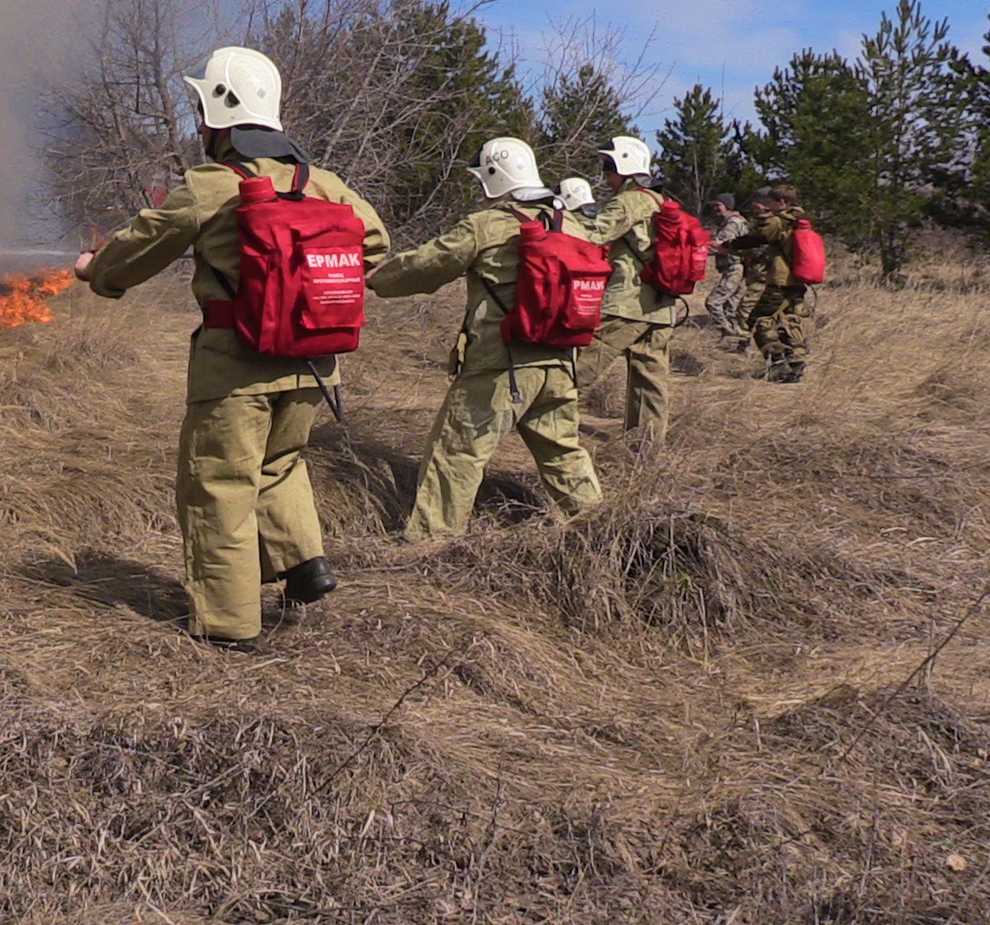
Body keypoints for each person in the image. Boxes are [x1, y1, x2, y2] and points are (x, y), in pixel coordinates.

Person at [74, 46, 390, 652]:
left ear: (221, 113)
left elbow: (142, 244)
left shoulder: (214, 183)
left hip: (235, 366)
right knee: (279, 464)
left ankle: (228, 626)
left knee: (218, 484)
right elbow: (374, 246)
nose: (198, 123)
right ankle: (304, 566)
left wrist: (98, 272)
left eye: (202, 109)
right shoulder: (323, 184)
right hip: (313, 365)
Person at [367, 139, 602, 541]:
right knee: (564, 454)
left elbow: (427, 265)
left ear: (494, 177)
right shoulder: (576, 226)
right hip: (561, 363)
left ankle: (430, 544)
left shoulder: (488, 225)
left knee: (457, 453)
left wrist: (373, 278)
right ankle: (603, 531)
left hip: (501, 367)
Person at [571, 136, 678, 449]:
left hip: (627, 304)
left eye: (608, 166)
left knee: (579, 368)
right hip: (660, 305)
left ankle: (547, 425)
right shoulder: (660, 200)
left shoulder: (629, 200)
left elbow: (592, 234)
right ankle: (644, 452)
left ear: (624, 167)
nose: (605, 175)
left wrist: (556, 222)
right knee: (650, 383)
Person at [717, 185, 812, 382]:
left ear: (783, 203)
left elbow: (757, 238)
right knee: (787, 320)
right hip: (798, 280)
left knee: (758, 320)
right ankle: (794, 362)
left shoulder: (780, 221)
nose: (770, 206)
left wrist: (728, 246)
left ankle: (777, 362)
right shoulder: (800, 220)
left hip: (781, 280)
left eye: (773, 202)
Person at [703, 193, 750, 339]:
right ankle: (736, 338)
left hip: (734, 268)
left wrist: (695, 250)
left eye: (718, 205)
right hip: (738, 268)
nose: (715, 208)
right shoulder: (737, 221)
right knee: (731, 306)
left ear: (728, 206)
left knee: (713, 302)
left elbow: (720, 245)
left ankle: (728, 331)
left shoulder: (731, 223)